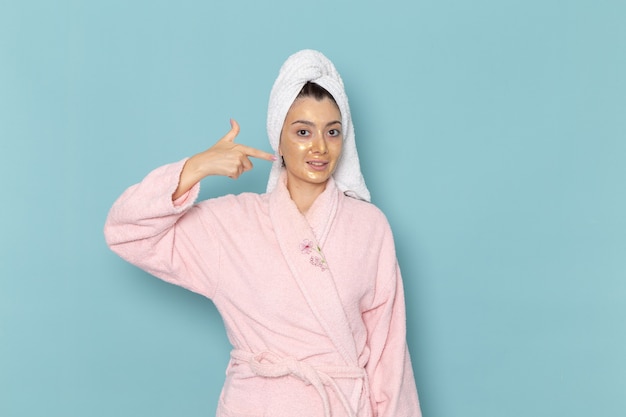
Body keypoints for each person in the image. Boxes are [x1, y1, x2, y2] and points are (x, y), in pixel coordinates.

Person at [104, 49, 421, 417]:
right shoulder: (232, 224)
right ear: (279, 138)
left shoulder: (369, 227)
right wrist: (196, 167)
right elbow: (126, 231)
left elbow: (389, 355)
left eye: (332, 132)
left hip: (343, 404)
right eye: (302, 131)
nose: (319, 146)